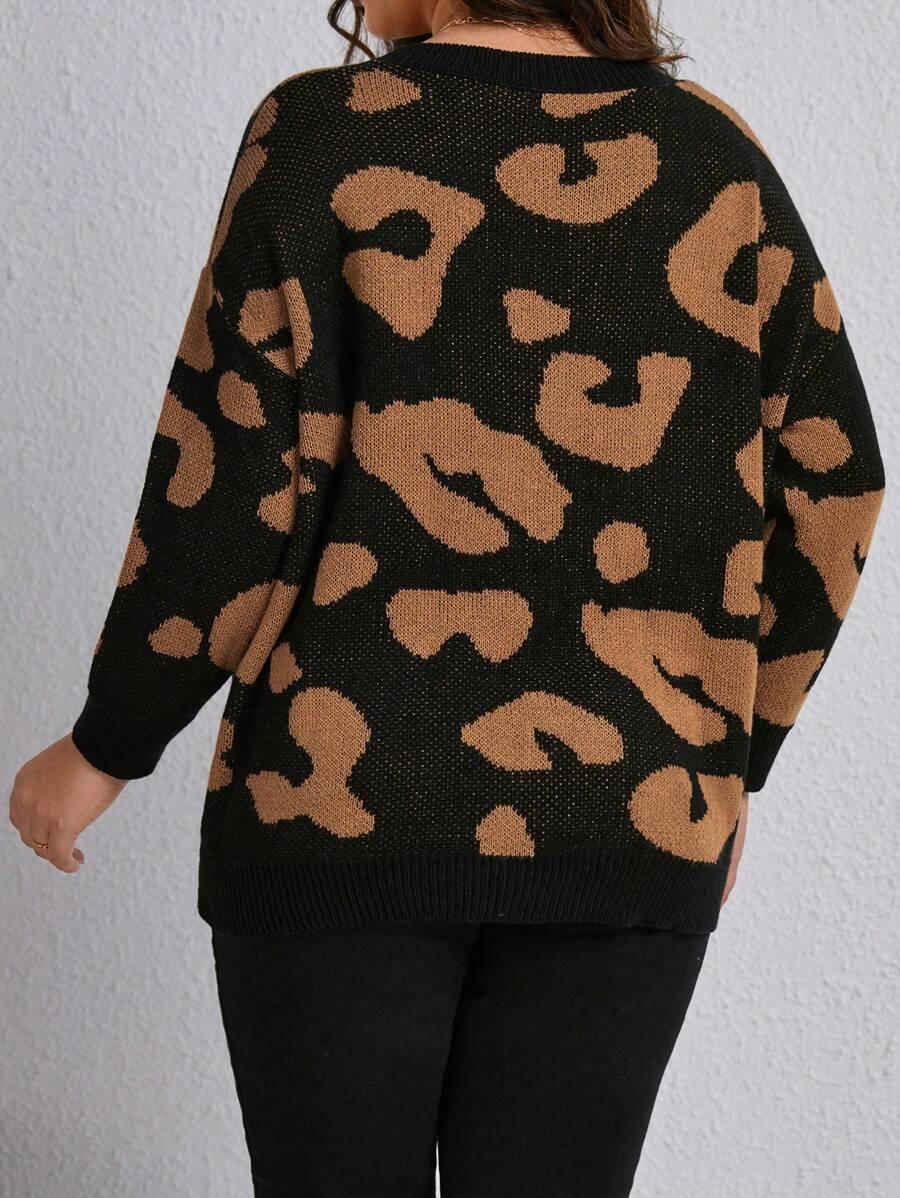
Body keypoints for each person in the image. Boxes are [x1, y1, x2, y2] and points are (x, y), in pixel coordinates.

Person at [9, 2, 886, 1194]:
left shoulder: (318, 134)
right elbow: (835, 489)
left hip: (337, 809)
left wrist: (106, 743)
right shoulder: (716, 157)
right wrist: (726, 758)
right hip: (632, 819)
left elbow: (228, 490)